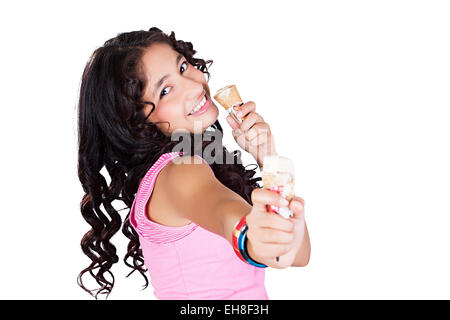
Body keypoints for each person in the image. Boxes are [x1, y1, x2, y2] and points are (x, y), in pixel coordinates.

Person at [77, 27, 310, 300]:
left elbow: (298, 254)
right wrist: (250, 238)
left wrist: (267, 158)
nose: (194, 85)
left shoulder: (182, 169)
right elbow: (228, 216)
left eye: (183, 66)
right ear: (136, 121)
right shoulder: (181, 172)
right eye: (165, 90)